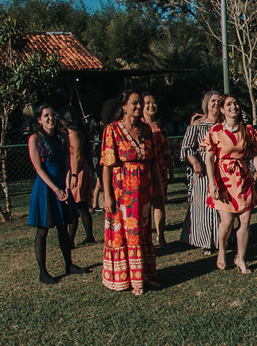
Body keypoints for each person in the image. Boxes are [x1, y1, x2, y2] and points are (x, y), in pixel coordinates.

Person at [101, 90, 164, 295]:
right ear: (124, 107)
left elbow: (153, 161)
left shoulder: (146, 130)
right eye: (134, 103)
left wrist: (158, 190)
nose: (139, 107)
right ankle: (130, 279)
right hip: (123, 193)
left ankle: (142, 275)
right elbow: (107, 165)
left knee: (142, 232)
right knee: (127, 234)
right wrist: (108, 196)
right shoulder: (112, 130)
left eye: (140, 104)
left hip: (143, 191)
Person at [202, 93, 257, 273]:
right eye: (228, 104)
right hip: (223, 179)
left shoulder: (248, 130)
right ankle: (222, 251)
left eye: (235, 103)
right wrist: (212, 183)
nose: (233, 107)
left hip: (243, 179)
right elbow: (209, 158)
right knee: (227, 221)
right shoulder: (215, 131)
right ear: (222, 109)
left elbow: (256, 155)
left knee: (245, 220)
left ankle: (240, 258)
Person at [27, 104, 87, 285]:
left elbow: (68, 164)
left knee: (63, 228)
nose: (50, 118)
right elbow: (39, 168)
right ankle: (43, 272)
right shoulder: (35, 139)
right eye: (46, 115)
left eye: (53, 114)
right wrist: (55, 189)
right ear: (39, 120)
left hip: (62, 185)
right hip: (45, 188)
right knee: (42, 231)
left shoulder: (62, 137)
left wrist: (67, 187)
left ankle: (69, 265)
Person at [180, 91, 222, 256]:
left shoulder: (224, 124)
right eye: (213, 101)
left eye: (219, 101)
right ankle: (206, 241)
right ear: (206, 104)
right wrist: (196, 163)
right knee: (205, 206)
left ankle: (223, 238)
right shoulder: (197, 125)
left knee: (222, 206)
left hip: (222, 170)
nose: (216, 104)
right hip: (203, 171)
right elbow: (187, 147)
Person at [61, 108, 97, 246]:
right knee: (81, 206)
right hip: (79, 169)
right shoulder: (77, 133)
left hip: (78, 170)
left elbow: (77, 155)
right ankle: (88, 236)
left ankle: (71, 240)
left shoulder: (73, 134)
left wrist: (74, 174)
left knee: (76, 205)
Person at [142, 93, 171, 250]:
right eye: (147, 103)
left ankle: (161, 236)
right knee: (144, 205)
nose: (151, 105)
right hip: (143, 169)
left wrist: (171, 169)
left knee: (159, 203)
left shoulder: (161, 125)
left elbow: (166, 149)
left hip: (159, 169)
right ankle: (145, 238)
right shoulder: (138, 125)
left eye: (153, 102)